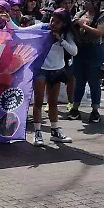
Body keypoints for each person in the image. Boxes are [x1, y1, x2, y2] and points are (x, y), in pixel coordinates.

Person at [28, 8, 77, 146]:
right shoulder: (42, 28)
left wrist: (61, 40)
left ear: (64, 24)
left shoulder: (66, 35)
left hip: (57, 70)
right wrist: (8, 22)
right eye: (52, 19)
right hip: (41, 69)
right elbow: (22, 30)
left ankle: (55, 131)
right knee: (38, 102)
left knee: (53, 103)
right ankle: (37, 133)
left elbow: (74, 51)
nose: (53, 23)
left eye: (58, 22)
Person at [68, 0, 104, 123]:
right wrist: (74, 24)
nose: (85, 4)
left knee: (94, 82)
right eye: (84, 1)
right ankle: (75, 108)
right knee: (79, 81)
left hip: (95, 52)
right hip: (80, 52)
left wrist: (83, 25)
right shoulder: (80, 14)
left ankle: (95, 110)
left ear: (96, 2)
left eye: (88, 1)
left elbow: (99, 33)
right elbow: (73, 28)